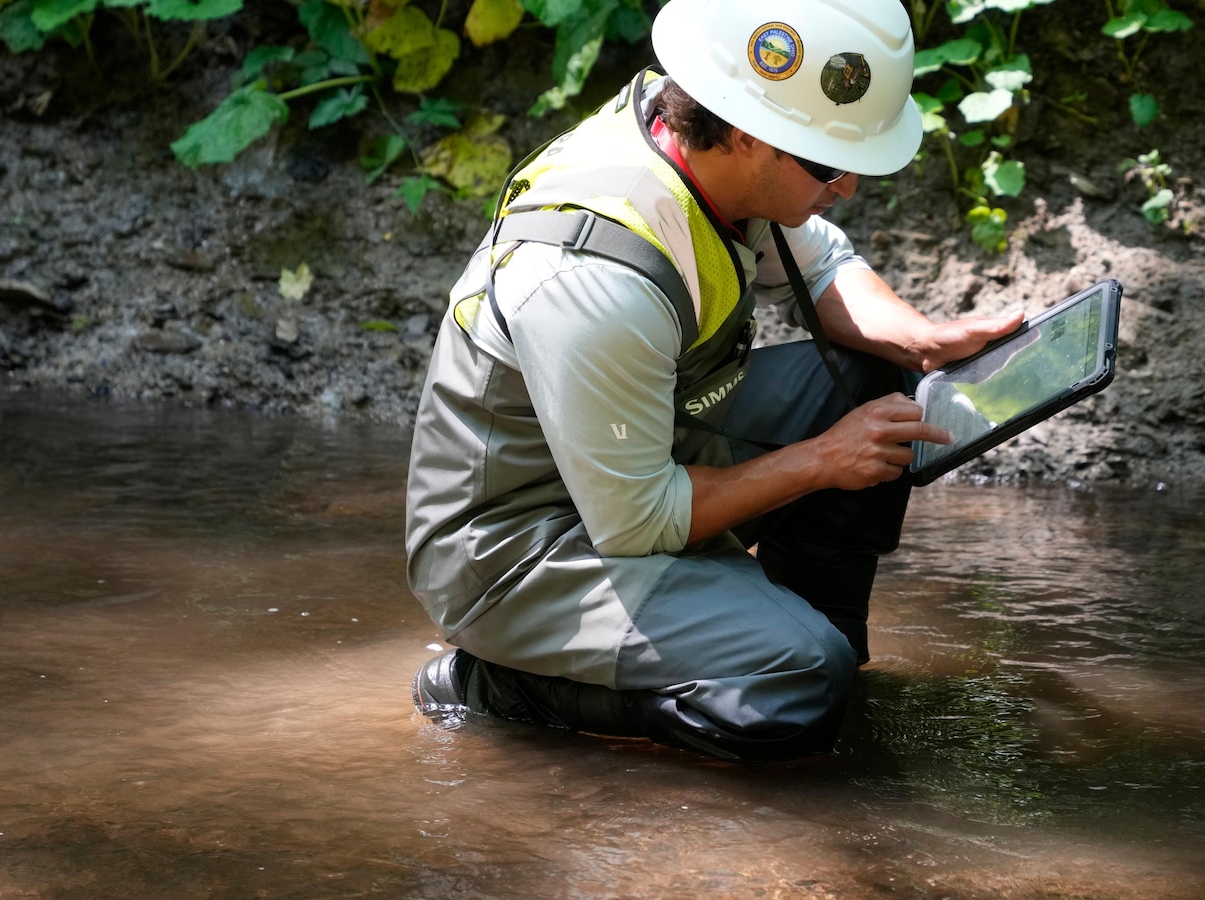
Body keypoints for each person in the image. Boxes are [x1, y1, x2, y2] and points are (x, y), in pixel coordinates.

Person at [404, 0, 1021, 761]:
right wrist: (821, 460)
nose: (850, 186)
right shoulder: (597, 278)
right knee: (795, 680)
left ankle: (806, 643)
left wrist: (923, 339)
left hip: (631, 455)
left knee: (872, 380)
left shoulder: (696, 148)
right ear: (744, 134)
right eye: (830, 164)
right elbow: (636, 520)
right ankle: (494, 683)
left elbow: (820, 261)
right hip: (521, 546)